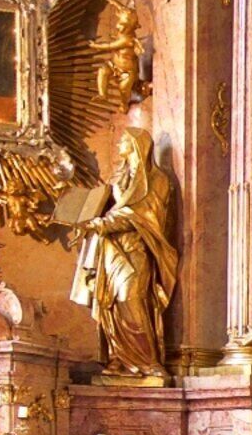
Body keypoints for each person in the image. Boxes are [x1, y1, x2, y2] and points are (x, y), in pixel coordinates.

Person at [69, 128, 176, 374]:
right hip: (110, 249)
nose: (119, 144)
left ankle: (148, 361)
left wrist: (105, 223)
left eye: (125, 140)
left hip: (136, 246)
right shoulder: (118, 180)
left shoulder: (157, 179)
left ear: (139, 146)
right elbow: (105, 209)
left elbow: (147, 214)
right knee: (112, 303)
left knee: (132, 298)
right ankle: (119, 358)